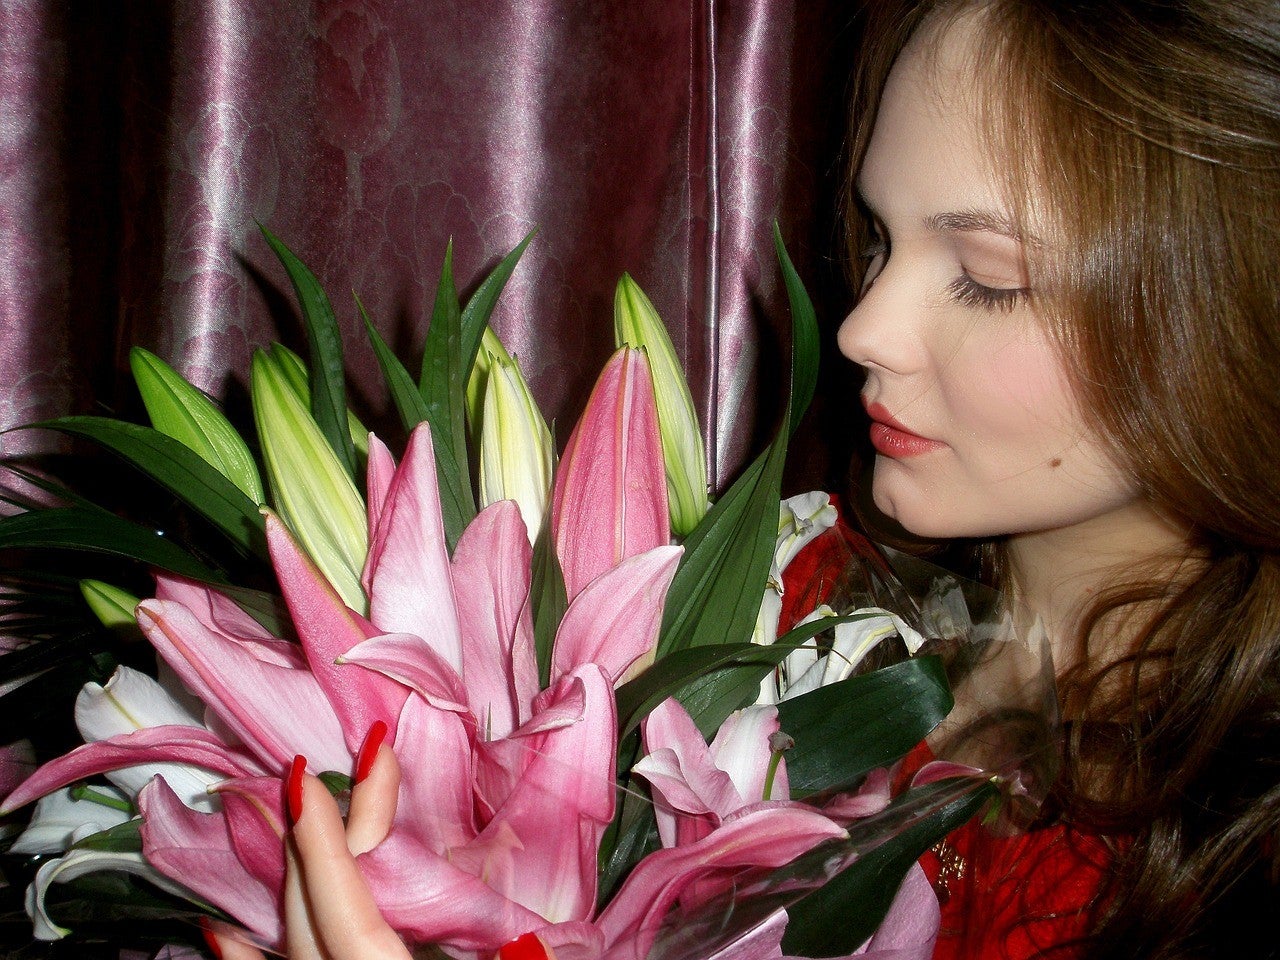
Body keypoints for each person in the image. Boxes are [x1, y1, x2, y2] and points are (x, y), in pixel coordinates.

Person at [208, 1, 1280, 957]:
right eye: (876, 240)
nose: (862, 329)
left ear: (1238, 316)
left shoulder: (1234, 857)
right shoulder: (783, 586)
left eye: (988, 280)